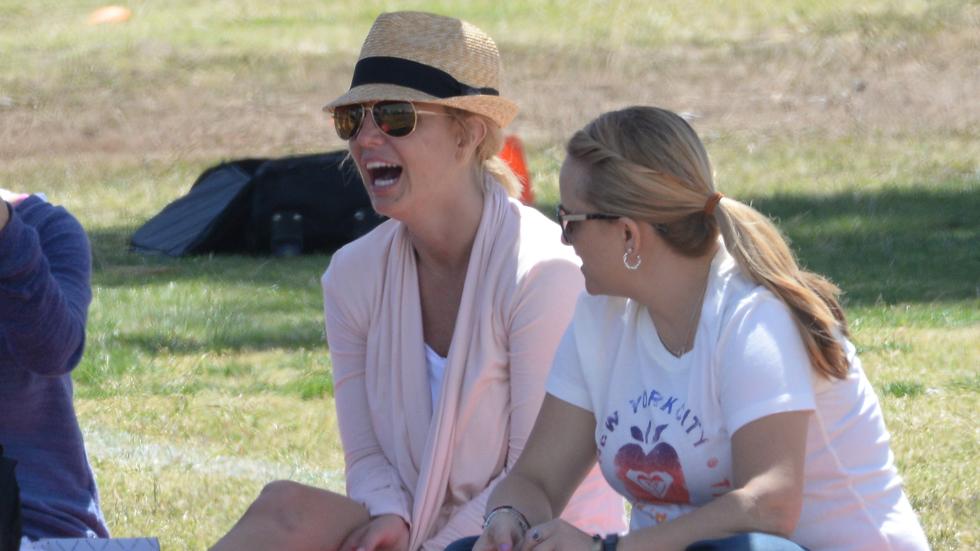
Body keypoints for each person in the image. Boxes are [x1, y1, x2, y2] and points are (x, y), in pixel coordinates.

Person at [210, 12, 625, 551]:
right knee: (283, 507)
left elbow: (534, 481)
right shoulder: (353, 276)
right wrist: (390, 516)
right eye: (351, 120)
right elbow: (367, 459)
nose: (366, 138)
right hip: (417, 532)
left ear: (467, 134)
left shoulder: (546, 274)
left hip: (531, 535)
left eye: (394, 116)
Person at [452, 106, 929, 551]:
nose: (561, 236)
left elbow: (769, 503)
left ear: (628, 234)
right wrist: (510, 519)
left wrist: (610, 549)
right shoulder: (601, 316)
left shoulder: (752, 315)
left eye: (569, 219)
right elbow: (536, 479)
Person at [0, 189, 110, 541]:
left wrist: (5, 233)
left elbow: (53, 354)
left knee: (282, 506)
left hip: (36, 520)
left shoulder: (45, 227)